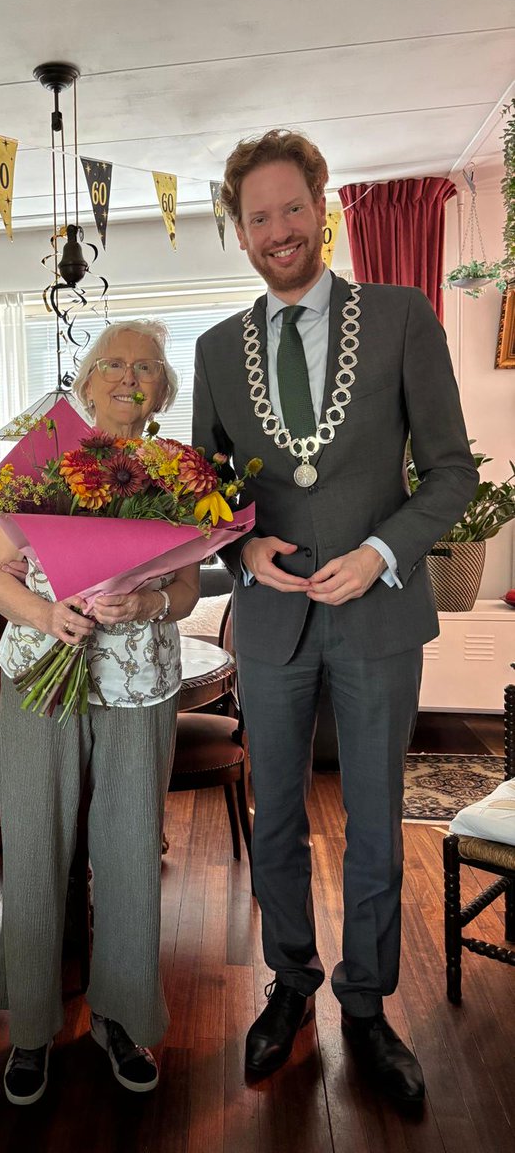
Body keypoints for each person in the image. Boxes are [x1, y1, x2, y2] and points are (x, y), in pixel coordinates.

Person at [192, 130, 477, 1105]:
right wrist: (240, 550)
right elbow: (208, 496)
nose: (277, 230)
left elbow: (451, 472)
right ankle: (290, 983)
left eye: (290, 208)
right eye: (257, 217)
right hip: (270, 626)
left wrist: (381, 553)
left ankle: (366, 1005)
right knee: (273, 818)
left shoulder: (400, 317)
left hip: (380, 617)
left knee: (373, 825)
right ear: (241, 232)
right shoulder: (215, 351)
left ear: (323, 206)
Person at [0, 320, 200, 1104]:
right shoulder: (43, 458)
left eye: (146, 366)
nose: (129, 378)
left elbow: (189, 587)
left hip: (138, 676)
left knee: (133, 847)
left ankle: (120, 1016)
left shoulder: (180, 471)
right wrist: (44, 617)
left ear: (163, 387)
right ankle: (32, 1028)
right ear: (87, 379)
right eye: (114, 364)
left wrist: (149, 599)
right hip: (42, 668)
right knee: (35, 844)